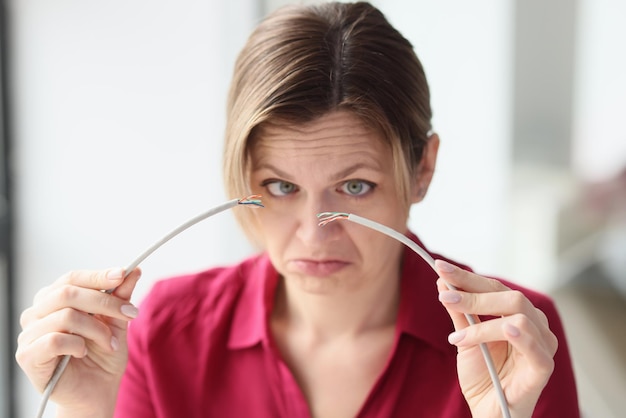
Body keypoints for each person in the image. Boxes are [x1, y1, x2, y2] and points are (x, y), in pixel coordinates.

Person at [16, 2, 580, 417]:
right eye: (282, 187)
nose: (313, 235)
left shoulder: (513, 338)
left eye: (355, 187)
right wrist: (87, 409)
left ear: (422, 170)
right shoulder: (164, 331)